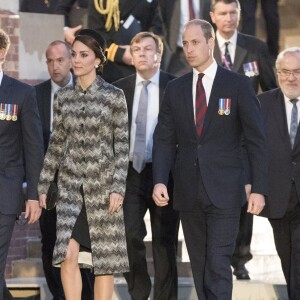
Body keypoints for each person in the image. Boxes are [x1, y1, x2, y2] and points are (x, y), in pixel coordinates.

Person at [152, 19, 268, 299]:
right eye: (185, 43)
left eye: (195, 42)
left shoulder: (238, 85)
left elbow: (256, 141)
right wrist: (158, 180)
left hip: (226, 191)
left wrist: (259, 188)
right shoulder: (176, 89)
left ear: (210, 42)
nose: (189, 49)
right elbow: (164, 139)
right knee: (201, 266)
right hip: (189, 191)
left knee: (217, 265)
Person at [38, 29, 129, 300]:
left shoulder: (115, 96)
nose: (76, 60)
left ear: (98, 60)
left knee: (104, 263)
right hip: (69, 189)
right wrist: (44, 184)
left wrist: (118, 188)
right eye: (74, 55)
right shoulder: (63, 98)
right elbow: (56, 144)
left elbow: (122, 147)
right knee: (67, 254)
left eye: (83, 55)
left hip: (103, 190)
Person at [209, 0, 277, 280]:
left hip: (246, 139)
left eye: (233, 12)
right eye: (223, 13)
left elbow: (271, 89)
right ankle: (219, 257)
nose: (229, 18)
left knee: (246, 197)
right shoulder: (203, 47)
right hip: (214, 139)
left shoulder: (256, 47)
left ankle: (240, 259)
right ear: (213, 17)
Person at [113, 32, 179, 300]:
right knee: (128, 236)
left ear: (158, 55)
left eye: (146, 49)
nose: (140, 53)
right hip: (130, 172)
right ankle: (139, 292)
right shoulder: (118, 89)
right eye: (136, 48)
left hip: (166, 173)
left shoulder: (175, 87)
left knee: (164, 243)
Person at [35, 40, 94, 300]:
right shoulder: (34, 96)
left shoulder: (89, 91)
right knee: (50, 243)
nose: (54, 66)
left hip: (83, 183)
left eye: (60, 60)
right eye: (49, 61)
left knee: (81, 246)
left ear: (71, 60)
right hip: (50, 184)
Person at [0, 28, 44, 300]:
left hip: (5, 193)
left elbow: (33, 148)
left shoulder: (22, 94)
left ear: (1, 53)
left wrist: (33, 196)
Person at [258, 47, 300, 300]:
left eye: (297, 72)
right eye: (285, 72)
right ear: (276, 74)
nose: (291, 78)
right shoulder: (262, 103)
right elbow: (249, 147)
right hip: (278, 196)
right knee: (287, 256)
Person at [88, 0, 163, 83]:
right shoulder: (100, 2)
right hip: (109, 65)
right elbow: (95, 33)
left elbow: (156, 27)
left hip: (138, 64)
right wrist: (120, 53)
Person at [159, 0, 212, 76]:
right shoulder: (169, 2)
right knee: (179, 85)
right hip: (178, 54)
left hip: (204, 52)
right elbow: (160, 21)